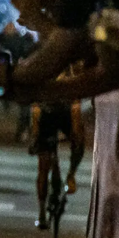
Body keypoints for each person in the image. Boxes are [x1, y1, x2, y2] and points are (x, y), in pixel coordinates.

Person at [29, 96, 85, 230]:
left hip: (62, 109)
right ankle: (42, 211)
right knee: (43, 165)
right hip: (46, 110)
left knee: (78, 138)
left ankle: (71, 175)